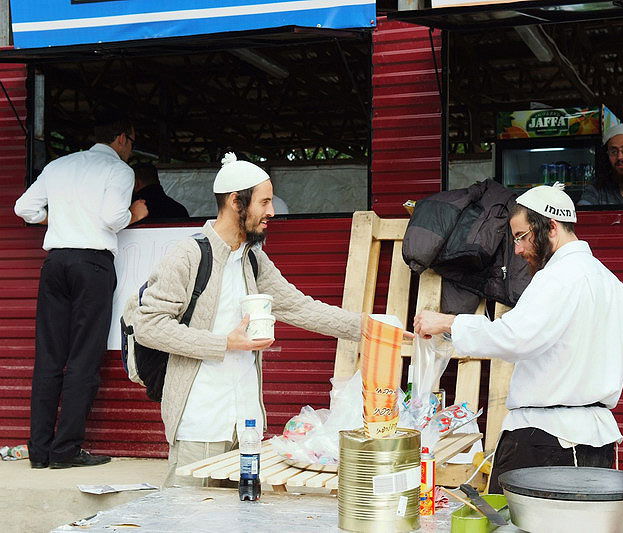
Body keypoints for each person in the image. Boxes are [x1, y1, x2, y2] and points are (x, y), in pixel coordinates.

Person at [132, 152, 363, 487]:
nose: (272, 211)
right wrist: (224, 343)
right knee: (188, 511)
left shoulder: (252, 259)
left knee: (240, 511)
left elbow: (299, 307)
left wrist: (368, 327)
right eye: (264, 202)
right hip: (201, 421)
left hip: (246, 425)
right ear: (235, 201)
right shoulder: (188, 254)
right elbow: (149, 326)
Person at [414, 183, 623, 492]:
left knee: (509, 517)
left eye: (521, 236)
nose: (516, 250)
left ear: (551, 227)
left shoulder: (557, 277)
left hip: (546, 440)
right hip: (597, 442)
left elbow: (514, 337)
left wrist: (447, 322)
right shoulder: (613, 285)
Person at [14, 116, 149, 469]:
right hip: (92, 265)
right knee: (83, 358)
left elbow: (24, 208)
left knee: (49, 358)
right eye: (132, 141)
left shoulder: (59, 166)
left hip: (55, 263)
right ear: (121, 138)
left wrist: (57, 218)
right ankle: (65, 450)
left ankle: (39, 451)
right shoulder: (118, 170)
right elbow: (112, 218)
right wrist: (135, 214)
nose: (131, 149)